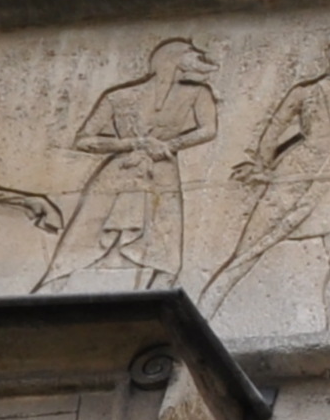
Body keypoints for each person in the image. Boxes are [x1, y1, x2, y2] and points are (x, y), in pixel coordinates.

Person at [201, 33, 330, 329]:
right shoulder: (306, 91)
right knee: (246, 253)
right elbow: (274, 127)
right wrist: (262, 164)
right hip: (295, 174)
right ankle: (202, 316)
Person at [38, 38, 219, 291]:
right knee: (85, 231)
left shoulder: (197, 93)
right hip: (119, 170)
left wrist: (170, 145)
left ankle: (161, 292)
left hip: (161, 170)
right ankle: (53, 288)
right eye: (192, 55)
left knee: (165, 237)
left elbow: (209, 130)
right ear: (172, 60)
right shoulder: (119, 96)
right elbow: (84, 140)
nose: (199, 61)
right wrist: (133, 143)